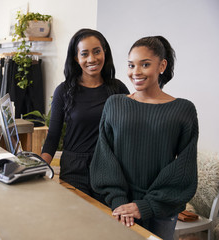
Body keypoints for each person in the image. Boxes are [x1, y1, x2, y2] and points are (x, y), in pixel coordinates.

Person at [90, 36, 198, 239]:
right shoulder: (114, 104)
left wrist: (146, 206)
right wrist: (119, 200)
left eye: (145, 64)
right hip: (118, 206)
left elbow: (185, 168)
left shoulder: (184, 110)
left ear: (162, 65)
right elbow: (104, 156)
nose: (135, 72)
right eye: (131, 65)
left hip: (161, 210)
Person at [41, 28, 129, 198]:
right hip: (74, 169)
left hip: (108, 168)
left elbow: (129, 132)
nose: (92, 59)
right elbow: (53, 137)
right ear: (76, 58)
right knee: (78, 220)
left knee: (106, 221)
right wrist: (37, 169)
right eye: (84, 54)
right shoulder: (64, 91)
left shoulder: (118, 89)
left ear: (105, 52)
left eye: (97, 52)